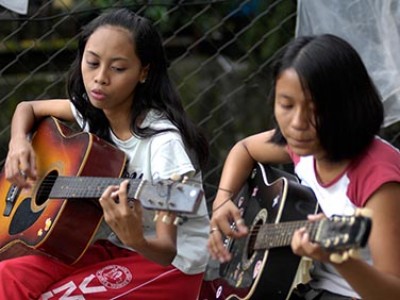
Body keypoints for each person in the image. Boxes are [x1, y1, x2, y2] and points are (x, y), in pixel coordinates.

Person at [0, 8, 210, 300]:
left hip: (171, 267)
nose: (100, 78)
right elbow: (28, 108)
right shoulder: (93, 112)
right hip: (119, 248)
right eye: (92, 62)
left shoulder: (164, 146)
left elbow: (166, 250)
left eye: (118, 68)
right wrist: (18, 144)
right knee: (7, 277)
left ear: (144, 72)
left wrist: (135, 237)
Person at [207, 34, 400, 299]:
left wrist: (339, 258)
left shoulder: (378, 179)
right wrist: (222, 198)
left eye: (315, 110)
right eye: (286, 104)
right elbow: (244, 149)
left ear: (349, 107)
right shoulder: (305, 146)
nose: (297, 123)